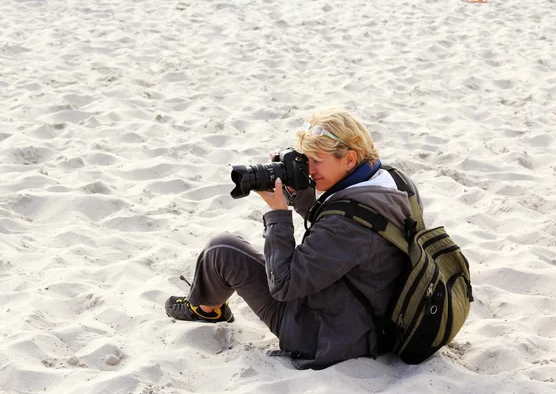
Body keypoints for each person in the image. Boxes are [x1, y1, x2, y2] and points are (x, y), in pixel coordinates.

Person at [165, 106, 422, 370]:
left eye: (317, 160)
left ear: (349, 159)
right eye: (306, 159)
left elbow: (284, 285)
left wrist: (278, 214)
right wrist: (301, 199)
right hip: (380, 321)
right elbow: (347, 246)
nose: (309, 170)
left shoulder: (344, 224)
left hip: (326, 336)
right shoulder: (397, 183)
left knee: (222, 250)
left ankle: (204, 309)